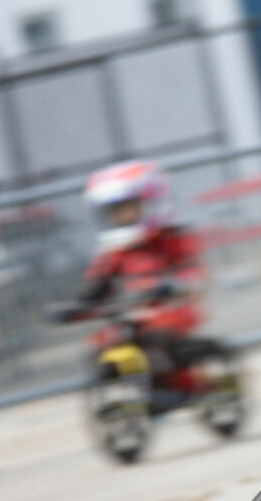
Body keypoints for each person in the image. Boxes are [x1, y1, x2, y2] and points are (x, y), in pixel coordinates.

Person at [62, 160, 206, 400]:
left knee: (156, 339)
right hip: (133, 314)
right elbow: (97, 280)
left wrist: (175, 285)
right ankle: (125, 395)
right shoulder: (114, 251)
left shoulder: (172, 240)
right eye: (113, 211)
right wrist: (78, 304)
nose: (120, 216)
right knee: (101, 345)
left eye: (128, 208)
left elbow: (191, 272)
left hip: (172, 310)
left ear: (153, 203)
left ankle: (183, 387)